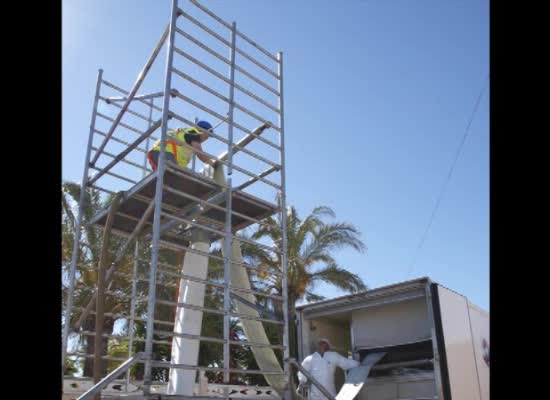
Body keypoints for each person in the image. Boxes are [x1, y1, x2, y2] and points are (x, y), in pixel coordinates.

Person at [147, 120, 218, 171]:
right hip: (164, 154)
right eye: (207, 136)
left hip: (157, 154)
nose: (206, 139)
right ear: (202, 130)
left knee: (168, 181)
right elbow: (200, 153)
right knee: (178, 177)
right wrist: (213, 164)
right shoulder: (194, 133)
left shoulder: (186, 133)